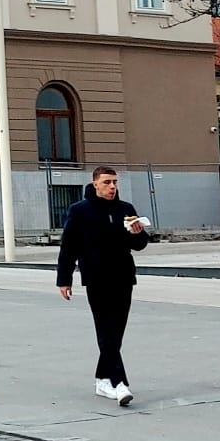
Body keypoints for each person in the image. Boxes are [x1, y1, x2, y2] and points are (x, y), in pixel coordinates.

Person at [56, 163, 150, 405]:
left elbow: (140, 245)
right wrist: (64, 279)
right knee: (106, 331)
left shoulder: (126, 209)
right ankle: (120, 383)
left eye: (115, 182)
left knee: (116, 333)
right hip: (96, 278)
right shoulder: (80, 211)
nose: (112, 187)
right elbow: (68, 247)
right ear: (95, 183)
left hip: (123, 277)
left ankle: (102, 379)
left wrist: (137, 232)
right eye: (107, 182)